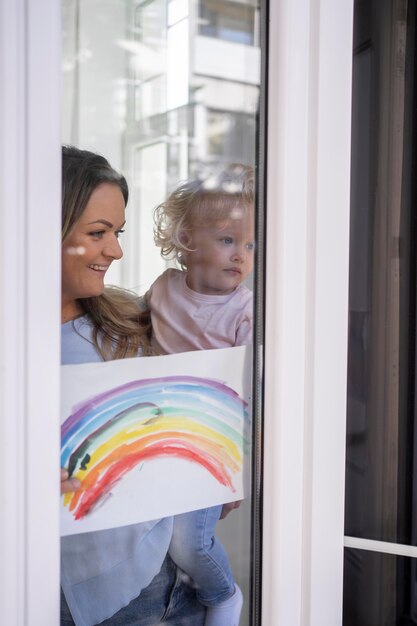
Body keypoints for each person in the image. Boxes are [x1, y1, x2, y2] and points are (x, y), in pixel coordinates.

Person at [60, 145, 206, 626]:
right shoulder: (16, 348)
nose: (116, 250)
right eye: (98, 233)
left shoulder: (130, 321)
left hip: (164, 582)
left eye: (116, 233)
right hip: (60, 592)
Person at [146, 164, 255, 626]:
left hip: (212, 438)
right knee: (161, 530)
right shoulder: (162, 288)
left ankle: (224, 595)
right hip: (157, 433)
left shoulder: (247, 309)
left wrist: (238, 468)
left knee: (190, 541)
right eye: (228, 240)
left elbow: (254, 394)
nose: (241, 256)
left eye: (249, 244)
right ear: (187, 240)